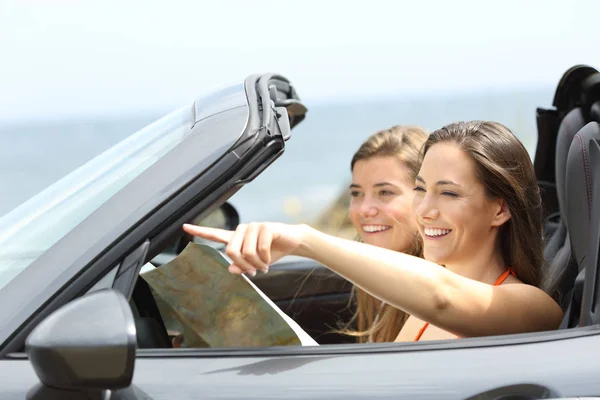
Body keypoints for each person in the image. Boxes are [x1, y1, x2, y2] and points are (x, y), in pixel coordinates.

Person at [183, 121, 563, 341]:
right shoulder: (419, 310)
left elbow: (441, 296)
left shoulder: (533, 308)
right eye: (420, 189)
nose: (426, 210)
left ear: (500, 209)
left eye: (447, 192)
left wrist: (306, 240)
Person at [342, 125, 428, 343]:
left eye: (385, 192)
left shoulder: (434, 294)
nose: (364, 209)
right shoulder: (377, 285)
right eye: (357, 193)